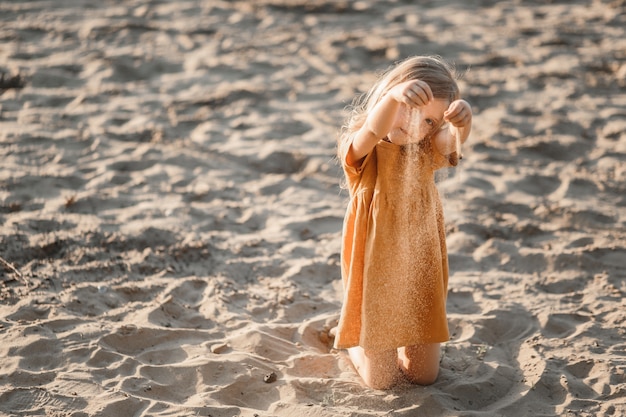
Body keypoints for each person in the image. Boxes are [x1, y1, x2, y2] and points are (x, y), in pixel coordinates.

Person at [333, 56, 472, 389]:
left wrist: (461, 124)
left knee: (422, 376)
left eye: (427, 121)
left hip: (418, 262)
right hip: (375, 264)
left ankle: (400, 345)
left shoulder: (424, 150)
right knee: (381, 381)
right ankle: (354, 346)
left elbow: (450, 141)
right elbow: (371, 129)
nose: (414, 126)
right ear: (386, 97)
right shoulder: (363, 152)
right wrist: (396, 97)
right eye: (407, 109)